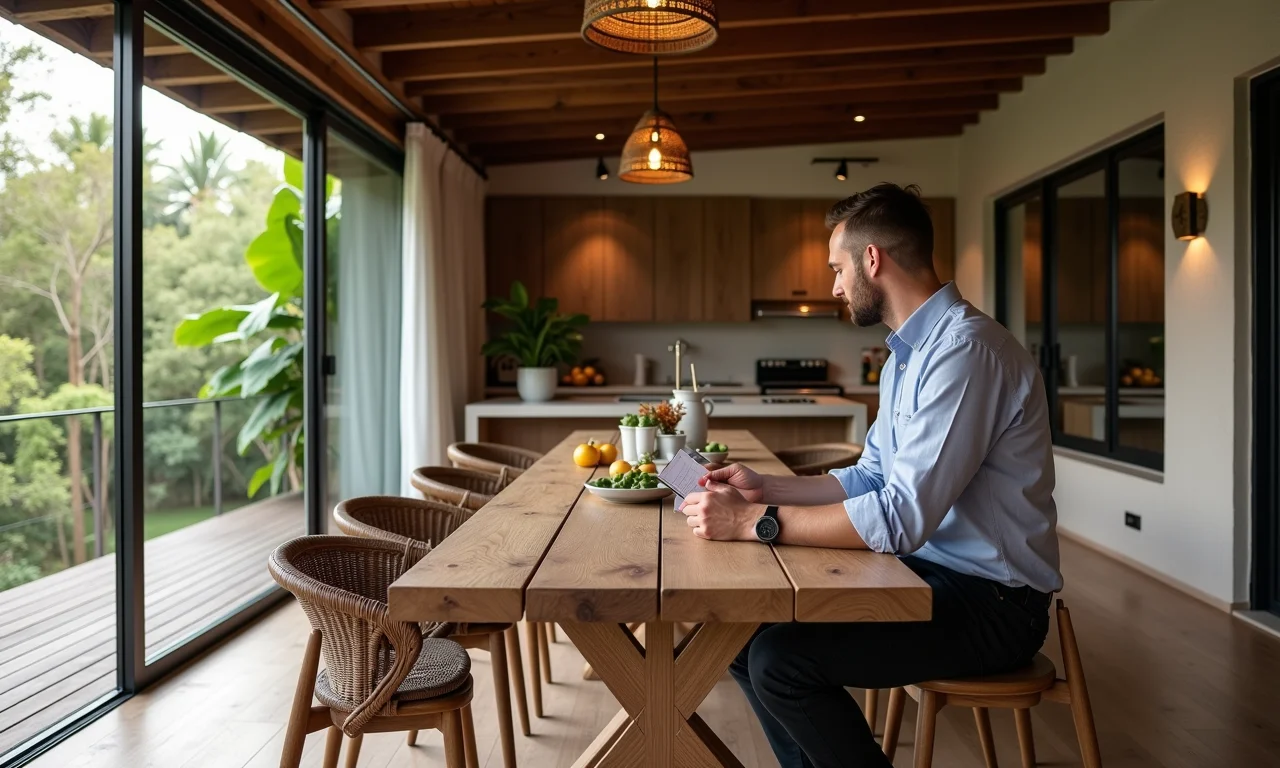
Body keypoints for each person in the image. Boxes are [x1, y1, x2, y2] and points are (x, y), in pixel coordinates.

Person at [679, 183, 1062, 768]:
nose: (833, 285)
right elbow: (871, 476)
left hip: (996, 603)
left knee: (779, 660)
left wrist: (753, 521)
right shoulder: (908, 356)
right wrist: (766, 487)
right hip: (931, 575)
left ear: (872, 259)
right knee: (739, 637)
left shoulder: (966, 352)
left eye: (837, 268)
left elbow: (898, 518)